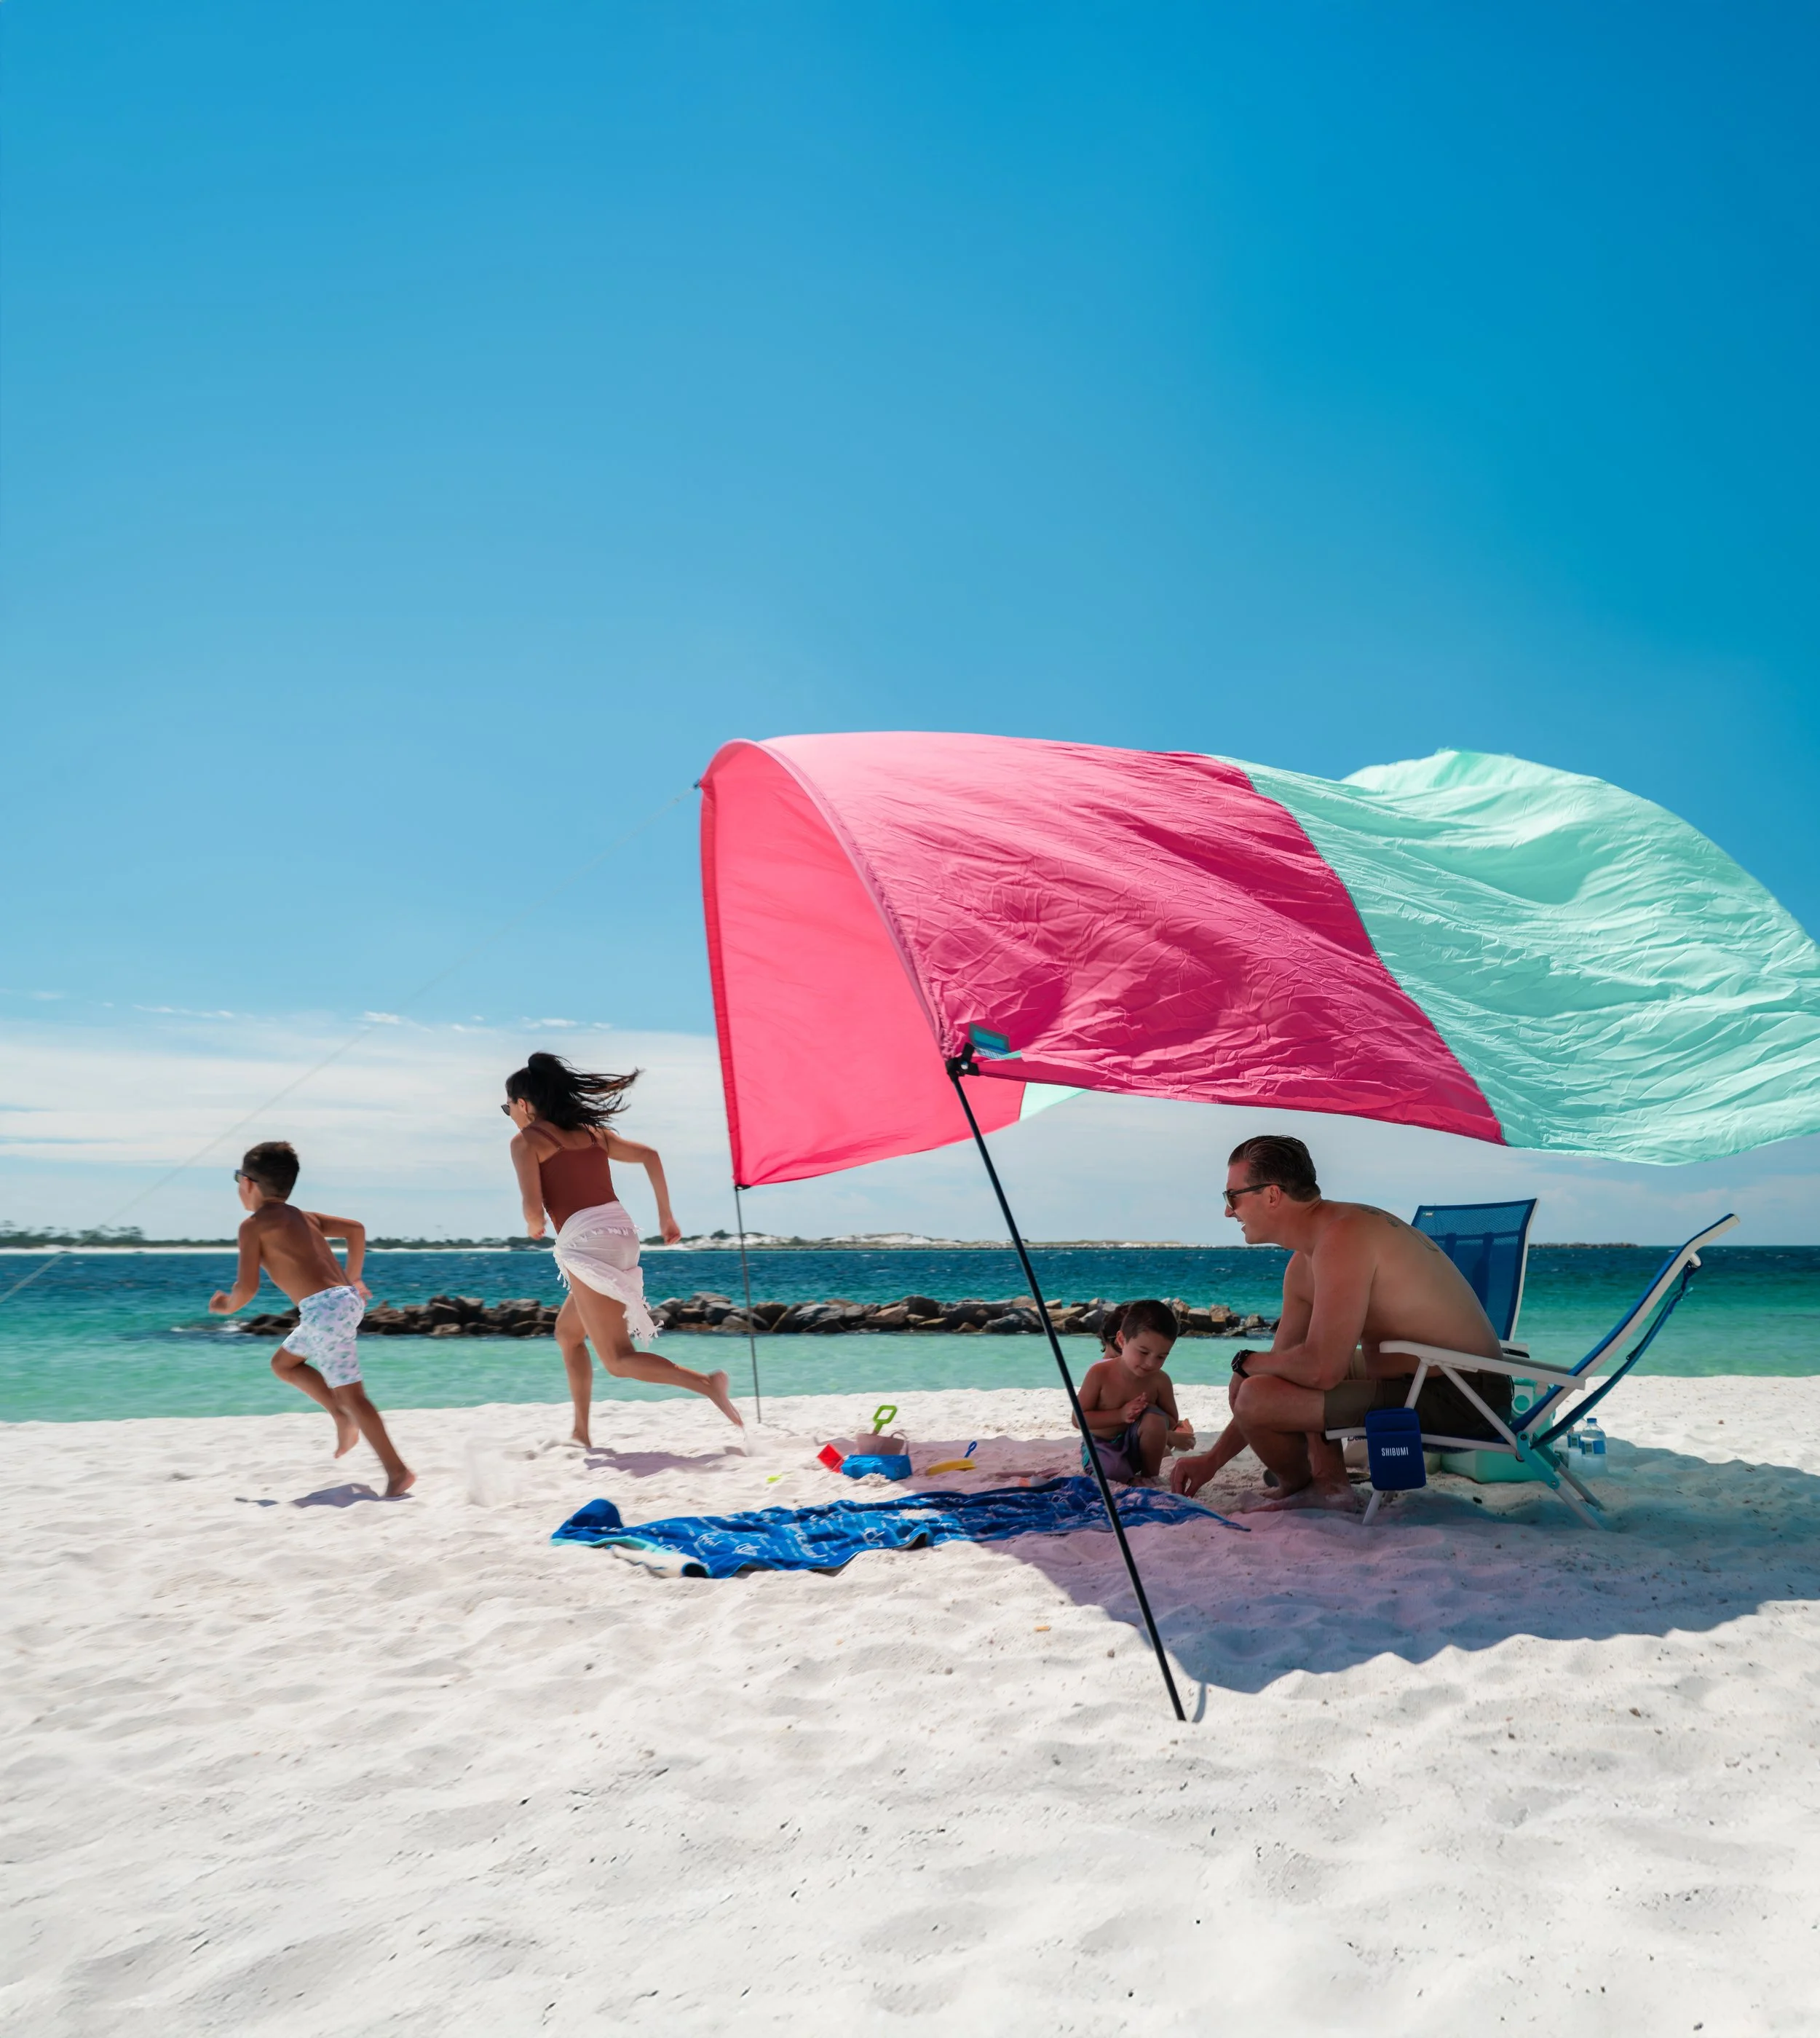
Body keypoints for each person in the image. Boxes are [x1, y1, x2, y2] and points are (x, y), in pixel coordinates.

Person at [1170, 1134, 1508, 1512]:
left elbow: (1321, 1370)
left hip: (1466, 1397)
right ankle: (1323, 1483)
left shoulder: (1343, 1237)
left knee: (1254, 1387)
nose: (1229, 1212)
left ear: (1271, 1195)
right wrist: (1212, 1461)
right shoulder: (1307, 1260)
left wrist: (1247, 1363)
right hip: (1420, 1379)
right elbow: (1288, 1369)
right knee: (1259, 1383)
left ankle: (1314, 1487)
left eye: (1232, 1197)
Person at [505, 1051, 743, 1447]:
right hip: (622, 1233)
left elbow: (532, 1210)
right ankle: (580, 1432)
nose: (509, 1113)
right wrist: (667, 1217)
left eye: (507, 1106)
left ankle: (707, 1384)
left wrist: (534, 1226)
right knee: (567, 1334)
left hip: (587, 1242)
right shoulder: (594, 1132)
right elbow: (650, 1156)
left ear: (524, 1104)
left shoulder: (526, 1141)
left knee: (616, 1359)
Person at [208, 1142, 414, 1496]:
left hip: (324, 1310)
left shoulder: (253, 1226)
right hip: (338, 1304)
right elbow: (357, 1230)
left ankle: (397, 1472)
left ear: (249, 1183)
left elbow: (248, 1288)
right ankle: (339, 1414)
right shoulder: (305, 1217)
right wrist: (355, 1277)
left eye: (238, 1178)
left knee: (354, 1395)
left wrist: (226, 1306)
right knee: (284, 1364)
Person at [1075, 1300, 1193, 1483]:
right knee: (1114, 1472)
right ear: (1122, 1340)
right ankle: (1127, 1477)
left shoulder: (1160, 1380)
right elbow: (1078, 1419)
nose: (1151, 1363)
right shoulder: (1100, 1373)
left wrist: (1148, 1410)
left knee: (1155, 1419)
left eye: (1161, 1357)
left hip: (1137, 1446)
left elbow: (1169, 1421)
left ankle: (1150, 1476)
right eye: (1144, 1352)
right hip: (1102, 1445)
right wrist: (1120, 1415)